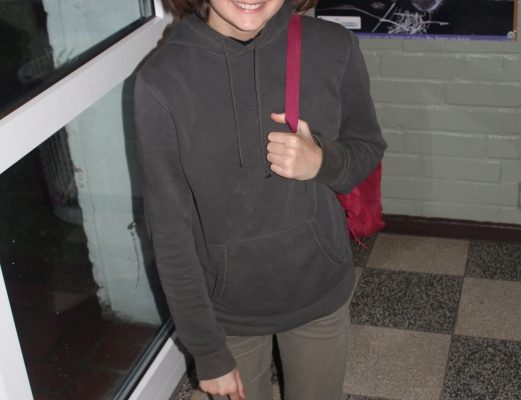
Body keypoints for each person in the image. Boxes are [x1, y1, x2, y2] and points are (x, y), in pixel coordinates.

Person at [134, 0, 386, 398]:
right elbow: (170, 232)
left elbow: (367, 147)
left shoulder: (333, 46)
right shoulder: (162, 80)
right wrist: (207, 350)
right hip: (226, 310)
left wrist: (323, 161)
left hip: (319, 287)